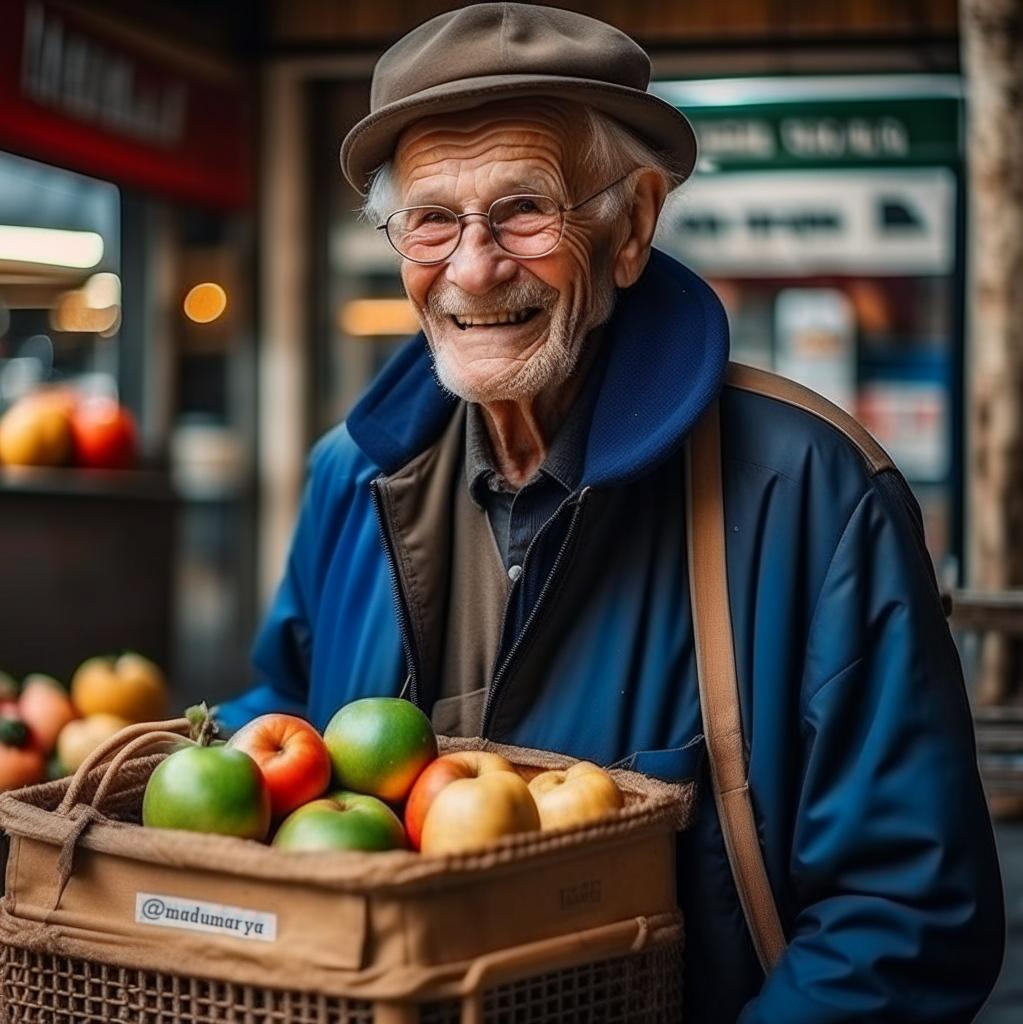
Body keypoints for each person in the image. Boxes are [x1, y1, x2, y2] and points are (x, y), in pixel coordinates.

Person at [218, 4, 1004, 1019]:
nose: (472, 266)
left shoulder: (811, 489)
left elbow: (908, 916)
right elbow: (282, 725)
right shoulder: (351, 474)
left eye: (522, 210)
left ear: (630, 224)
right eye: (430, 218)